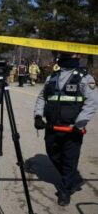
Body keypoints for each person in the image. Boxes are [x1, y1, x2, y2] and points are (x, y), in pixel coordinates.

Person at [34, 52, 98, 206]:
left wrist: (79, 124)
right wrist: (38, 116)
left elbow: (92, 102)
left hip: (72, 129)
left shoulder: (85, 78)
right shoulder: (52, 77)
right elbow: (42, 97)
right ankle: (74, 178)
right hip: (52, 126)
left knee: (70, 160)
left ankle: (65, 190)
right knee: (53, 153)